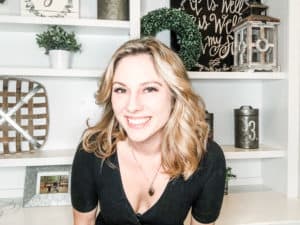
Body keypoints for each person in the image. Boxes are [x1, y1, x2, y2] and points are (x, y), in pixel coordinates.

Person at [71, 37, 226, 225]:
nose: (132, 106)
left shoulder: (207, 159)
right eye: (121, 90)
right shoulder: (92, 150)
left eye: (149, 89)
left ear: (174, 96)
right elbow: (83, 222)